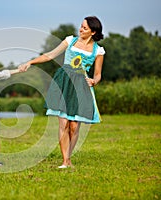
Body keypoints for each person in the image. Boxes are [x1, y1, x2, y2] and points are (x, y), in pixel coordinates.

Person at [20, 16, 105, 168]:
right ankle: (65, 161)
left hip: (80, 86)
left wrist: (94, 81)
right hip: (64, 82)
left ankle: (69, 157)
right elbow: (50, 55)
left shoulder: (98, 50)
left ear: (93, 32)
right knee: (64, 123)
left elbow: (98, 74)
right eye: (81, 26)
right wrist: (30, 62)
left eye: (85, 28)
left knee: (74, 126)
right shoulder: (70, 41)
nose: (80, 29)